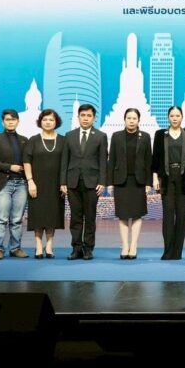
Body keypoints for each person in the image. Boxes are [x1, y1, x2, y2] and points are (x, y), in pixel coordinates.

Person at [60, 104, 107, 260]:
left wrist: (102, 181)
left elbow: (103, 161)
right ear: (78, 117)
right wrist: (63, 182)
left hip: (92, 183)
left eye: (89, 116)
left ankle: (88, 249)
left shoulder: (100, 136)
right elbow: (64, 160)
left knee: (90, 217)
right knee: (75, 217)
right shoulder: (69, 135)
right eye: (83, 115)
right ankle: (76, 248)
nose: (86, 118)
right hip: (72, 182)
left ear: (94, 118)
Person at [108, 108, 153, 260]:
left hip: (138, 181)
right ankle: (124, 245)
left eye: (134, 118)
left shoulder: (145, 137)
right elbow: (111, 160)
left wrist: (148, 183)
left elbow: (148, 161)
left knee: (136, 214)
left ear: (139, 120)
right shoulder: (116, 136)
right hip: (121, 181)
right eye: (129, 118)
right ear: (124, 119)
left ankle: (133, 245)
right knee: (122, 215)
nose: (132, 121)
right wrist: (110, 183)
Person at [152, 106, 185, 260]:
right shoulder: (160, 134)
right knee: (168, 214)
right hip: (166, 177)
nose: (175, 118)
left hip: (184, 178)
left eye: (177, 115)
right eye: (172, 116)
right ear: (168, 117)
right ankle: (168, 251)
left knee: (182, 215)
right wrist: (155, 178)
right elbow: (155, 157)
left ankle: (177, 252)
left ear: (182, 117)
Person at [0, 109, 30, 260]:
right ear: (2, 122)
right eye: (7, 120)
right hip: (2, 184)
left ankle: (15, 248)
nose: (11, 122)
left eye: (13, 119)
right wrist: (9, 167)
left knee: (17, 219)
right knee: (0, 219)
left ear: (18, 121)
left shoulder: (24, 140)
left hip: (21, 184)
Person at [24, 109, 67, 259]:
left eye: (51, 120)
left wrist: (64, 183)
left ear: (56, 122)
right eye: (45, 119)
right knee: (38, 215)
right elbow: (27, 162)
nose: (48, 122)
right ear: (40, 122)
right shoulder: (33, 140)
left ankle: (49, 246)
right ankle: (38, 246)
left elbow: (66, 163)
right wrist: (30, 181)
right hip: (37, 183)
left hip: (56, 184)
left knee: (52, 215)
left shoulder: (63, 140)